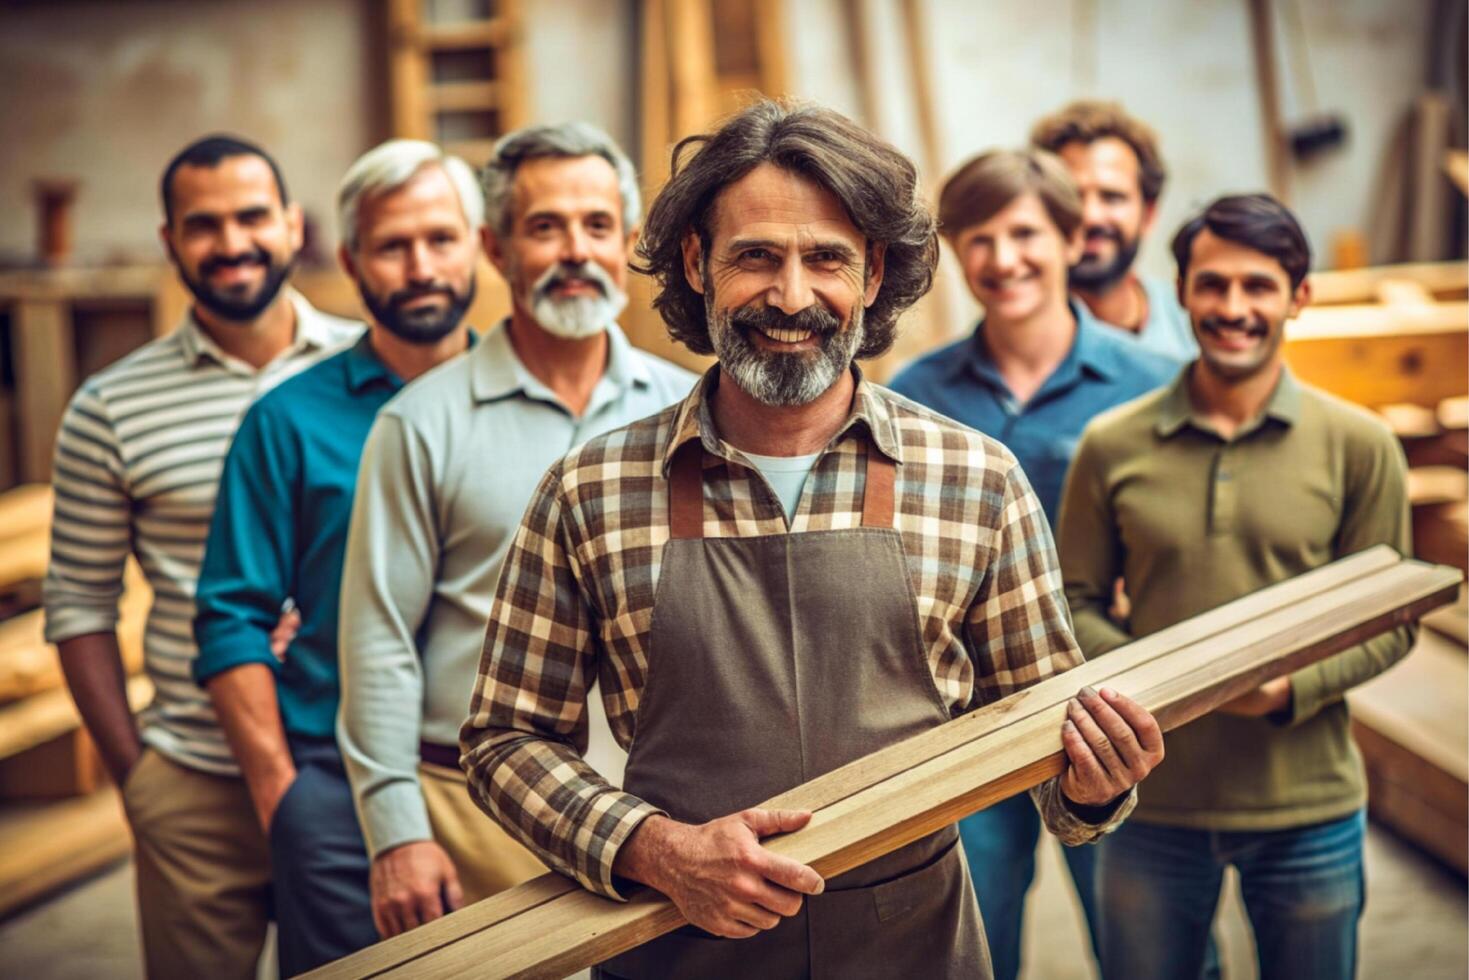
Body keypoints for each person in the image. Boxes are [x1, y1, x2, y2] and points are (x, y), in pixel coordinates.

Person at [460, 99, 1165, 979]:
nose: (790, 297)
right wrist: (652, 849)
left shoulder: (975, 481)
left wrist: (1094, 784)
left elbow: (1055, 767)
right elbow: (502, 740)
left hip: (913, 951)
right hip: (676, 949)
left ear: (872, 274)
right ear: (695, 263)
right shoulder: (590, 491)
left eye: (825, 258)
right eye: (755, 256)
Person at [337, 122, 695, 939]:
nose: (575, 249)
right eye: (545, 227)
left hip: (664, 811)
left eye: (596, 225)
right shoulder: (418, 424)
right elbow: (378, 639)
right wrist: (397, 834)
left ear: (630, 243)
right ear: (495, 250)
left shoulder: (690, 415)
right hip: (472, 809)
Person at [1057, 194, 1414, 980]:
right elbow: (1071, 602)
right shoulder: (1111, 446)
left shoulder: (1361, 446)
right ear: (1181, 291)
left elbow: (1393, 620)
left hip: (1308, 808)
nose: (1232, 307)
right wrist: (1174, 678)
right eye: (1212, 285)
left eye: (1257, 286)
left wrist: (1288, 684)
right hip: (1148, 804)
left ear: (1299, 296)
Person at [43, 134, 359, 980]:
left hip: (349, 767)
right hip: (193, 775)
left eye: (253, 216)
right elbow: (78, 603)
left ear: (293, 226)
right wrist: (135, 776)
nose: (231, 243)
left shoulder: (372, 372)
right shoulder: (110, 406)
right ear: (169, 242)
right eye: (203, 224)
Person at [191, 139, 482, 975]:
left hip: (505, 775)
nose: (420, 265)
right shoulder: (286, 422)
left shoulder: (526, 406)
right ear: (352, 260)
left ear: (478, 246)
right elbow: (229, 619)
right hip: (334, 788)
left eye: (439, 238)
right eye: (392, 246)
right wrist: (285, 797)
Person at [887, 148, 1176, 980]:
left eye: (1024, 233)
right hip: (960, 720)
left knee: (1148, 951)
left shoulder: (1152, 385)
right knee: (973, 946)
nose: (1003, 258)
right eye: (978, 238)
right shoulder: (916, 395)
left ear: (1068, 237)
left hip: (1112, 707)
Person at [1032, 100, 1196, 362]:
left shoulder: (1194, 327)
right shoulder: (1012, 342)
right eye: (1072, 196)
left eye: (1112, 197)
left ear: (1149, 214)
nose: (1090, 216)